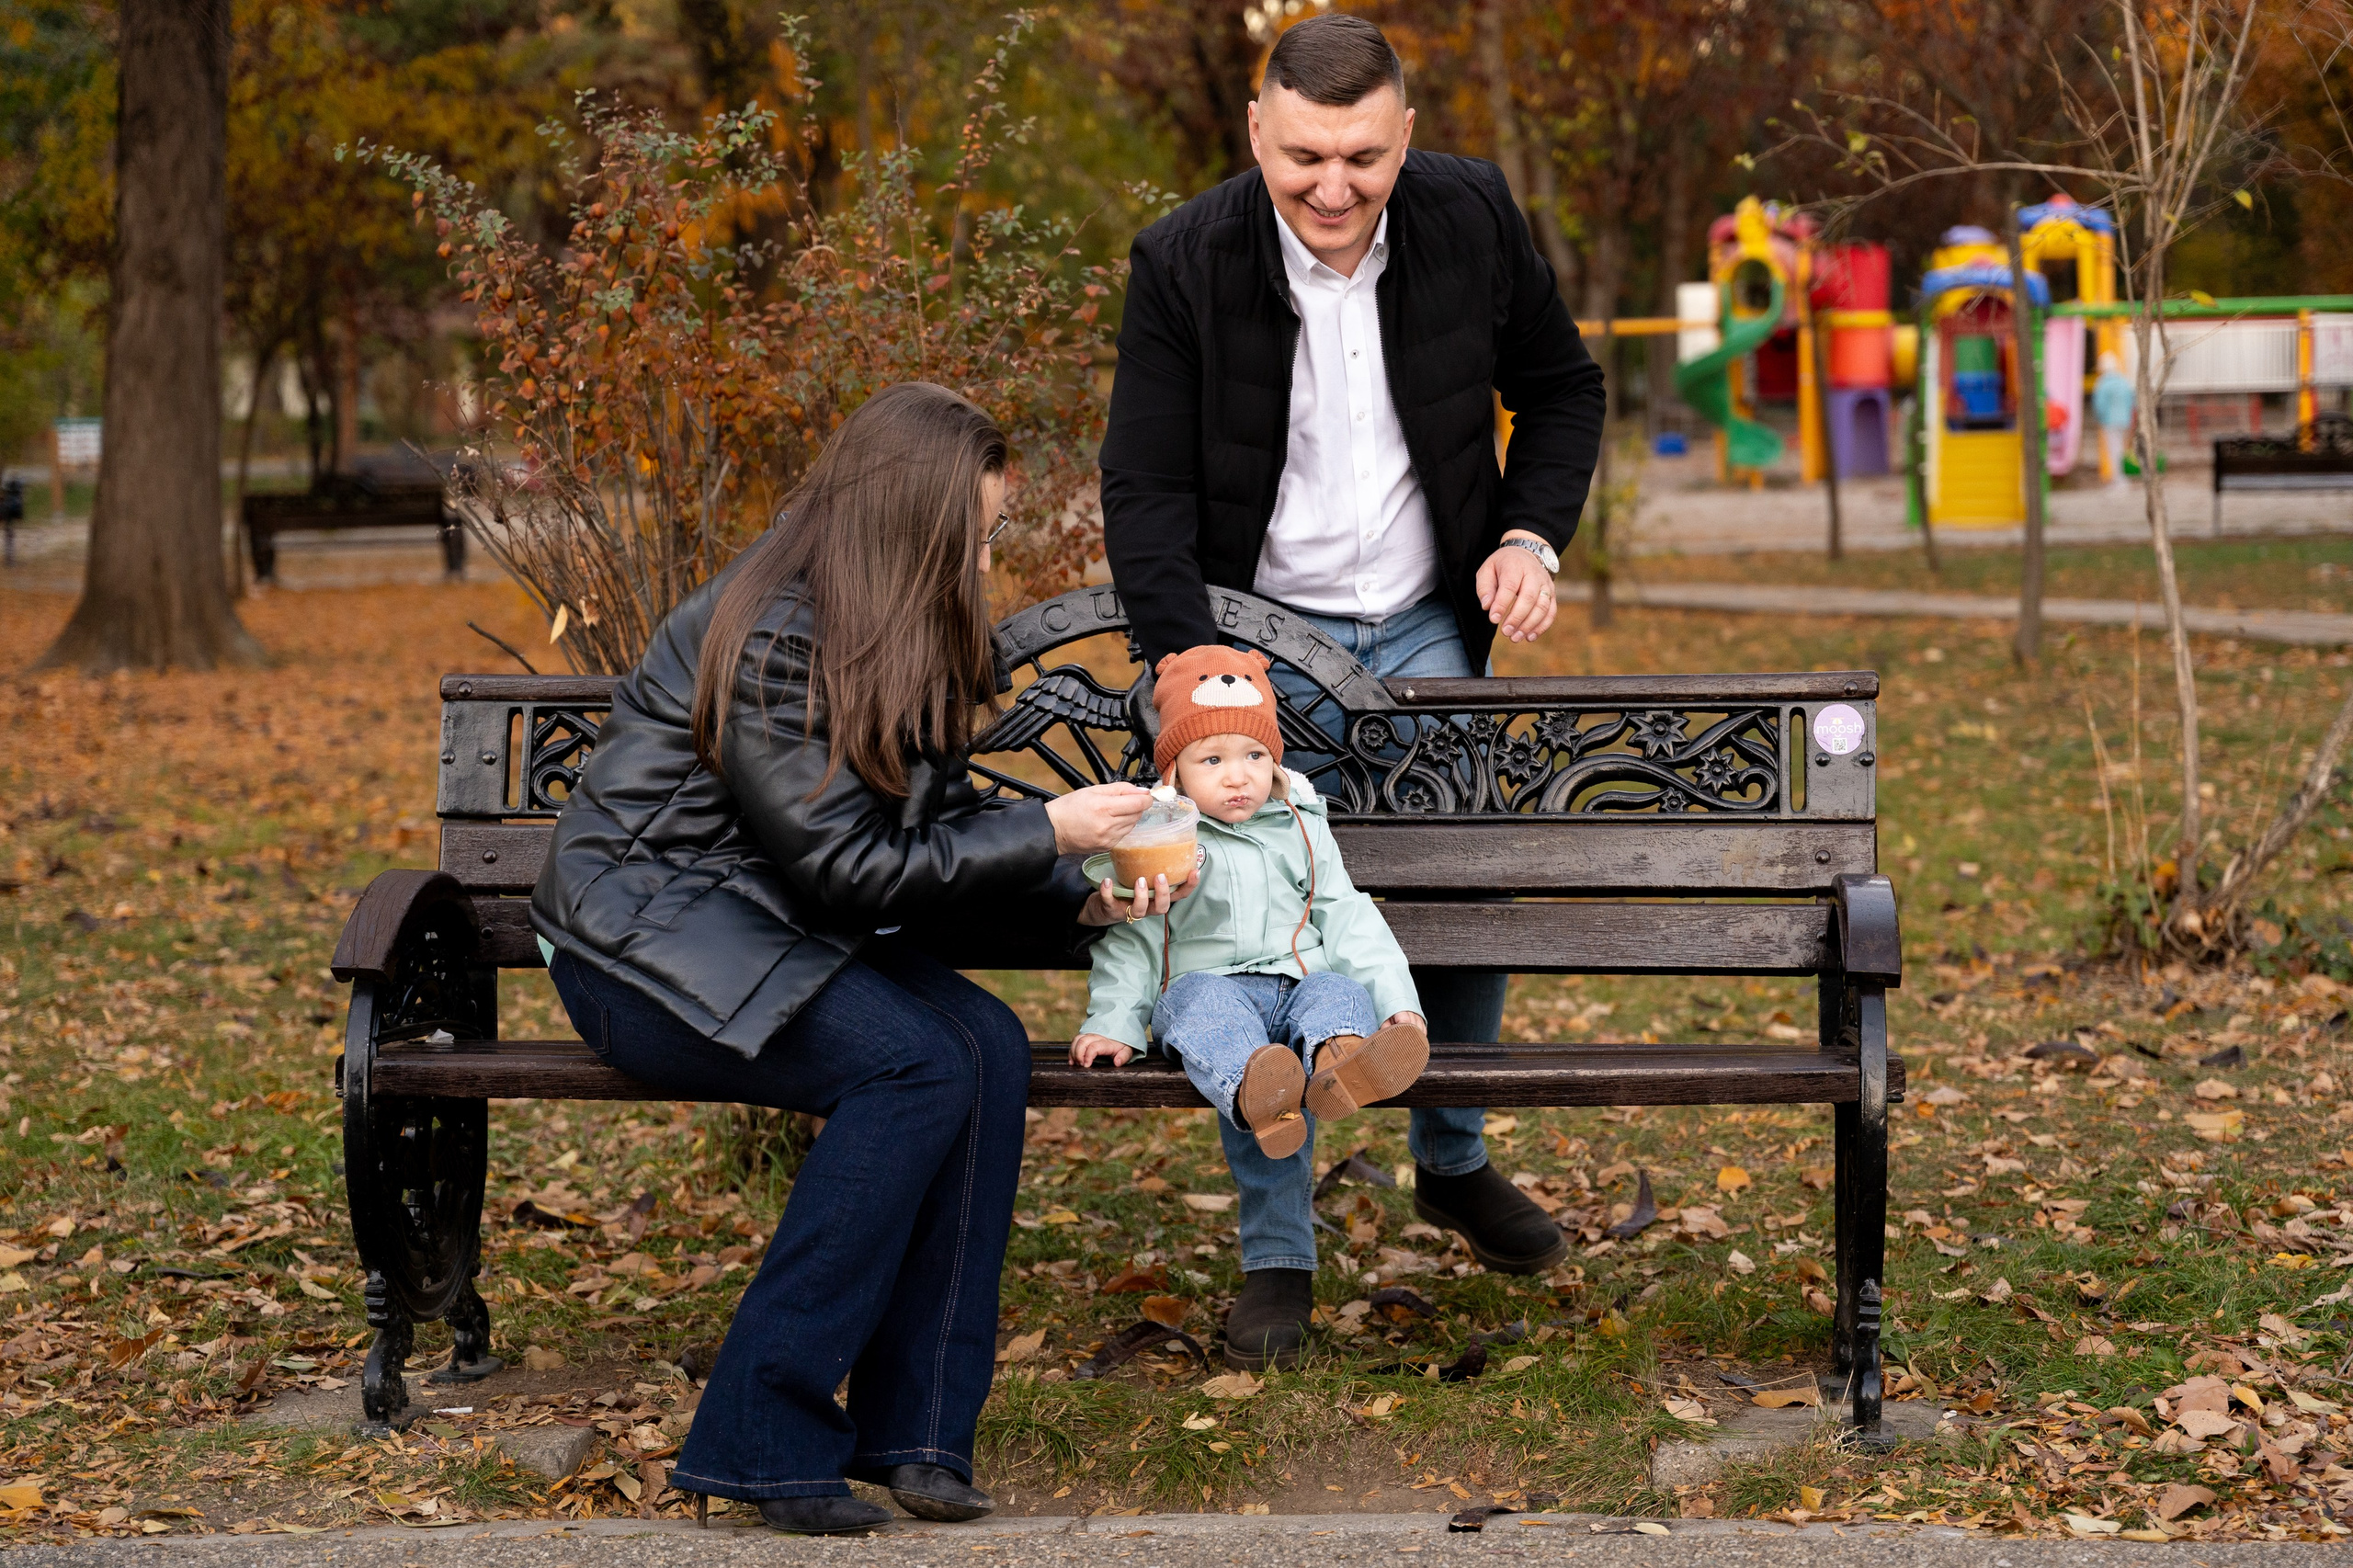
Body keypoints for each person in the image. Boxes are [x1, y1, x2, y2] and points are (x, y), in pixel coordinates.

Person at [530, 382, 1194, 1535]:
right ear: (914, 524)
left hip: (766, 929)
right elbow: (850, 869)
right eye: (976, 535)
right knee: (914, 1063)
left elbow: (916, 853)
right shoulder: (780, 630)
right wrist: (1049, 827)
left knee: (980, 1042)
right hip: (640, 946)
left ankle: (921, 1433)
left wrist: (1078, 904)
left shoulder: (898, 626)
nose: (987, 557)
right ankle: (761, 1436)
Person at [1097, 12, 1606, 1361]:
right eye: (1307, 156)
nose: (1335, 188)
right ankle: (1278, 1252)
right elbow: (1142, 490)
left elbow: (1563, 390)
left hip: (1428, 616)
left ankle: (1449, 1151)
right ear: (1259, 131)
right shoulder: (1185, 259)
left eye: (1365, 159)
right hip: (1250, 637)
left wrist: (1525, 536)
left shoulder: (1469, 218)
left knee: (1465, 878)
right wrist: (1188, 661)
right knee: (1245, 925)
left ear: (1406, 138)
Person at [1070, 647, 1430, 1364]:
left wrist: (1400, 1006)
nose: (1238, 776)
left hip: (1296, 989)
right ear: (1172, 771)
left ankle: (1342, 1059)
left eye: (1253, 756)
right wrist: (1112, 1021)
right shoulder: (1157, 838)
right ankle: (1261, 1101)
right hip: (1211, 998)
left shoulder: (1299, 823)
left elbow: (1349, 917)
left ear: (1274, 761)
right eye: (1211, 760)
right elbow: (1129, 939)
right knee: (1212, 1012)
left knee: (1335, 990)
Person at [2093, 351, 2136, 489]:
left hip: (2110, 421)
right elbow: (2132, 401)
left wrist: (2100, 419)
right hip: (2125, 421)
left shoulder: (2103, 383)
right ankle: (2122, 479)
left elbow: (2100, 405)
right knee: (2121, 450)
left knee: (2114, 451)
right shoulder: (2124, 381)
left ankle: (2119, 481)